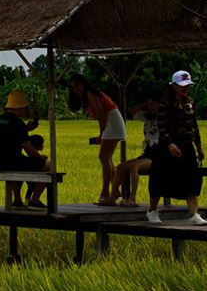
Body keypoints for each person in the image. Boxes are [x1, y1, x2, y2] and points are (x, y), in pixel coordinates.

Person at [146, 70, 206, 225]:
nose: (184, 89)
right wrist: (170, 144)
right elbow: (162, 125)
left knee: (191, 179)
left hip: (186, 145)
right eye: (181, 86)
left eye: (187, 86)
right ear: (174, 86)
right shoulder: (165, 102)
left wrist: (199, 146)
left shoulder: (189, 102)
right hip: (168, 146)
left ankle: (194, 214)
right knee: (160, 177)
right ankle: (152, 210)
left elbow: (194, 125)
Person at [67, 73, 127, 205]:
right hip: (111, 121)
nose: (76, 90)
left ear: (83, 83)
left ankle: (106, 192)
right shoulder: (89, 93)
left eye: (77, 86)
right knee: (107, 158)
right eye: (73, 88)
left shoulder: (90, 93)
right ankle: (114, 191)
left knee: (104, 157)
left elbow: (101, 115)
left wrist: (101, 133)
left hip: (112, 122)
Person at [0, 90, 51, 209]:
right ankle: (35, 200)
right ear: (19, 108)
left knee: (19, 164)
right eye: (24, 107)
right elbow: (29, 150)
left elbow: (8, 133)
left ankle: (17, 200)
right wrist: (41, 157)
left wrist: (26, 129)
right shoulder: (18, 123)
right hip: (13, 161)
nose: (25, 110)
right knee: (49, 165)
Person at [109, 95, 160, 207]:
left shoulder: (164, 118)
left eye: (153, 104)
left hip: (158, 154)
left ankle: (132, 198)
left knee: (134, 167)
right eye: (149, 105)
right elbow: (131, 110)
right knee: (121, 167)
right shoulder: (147, 118)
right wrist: (145, 104)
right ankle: (113, 196)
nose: (150, 107)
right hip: (148, 153)